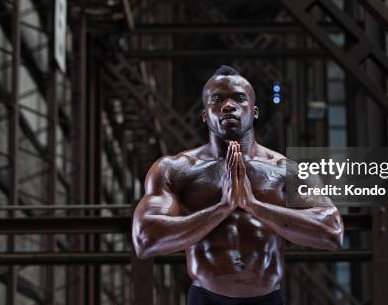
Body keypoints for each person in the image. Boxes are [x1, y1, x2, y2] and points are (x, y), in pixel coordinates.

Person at [132, 65, 343, 305]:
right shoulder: (174, 169)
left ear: (254, 112)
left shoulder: (286, 170)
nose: (228, 105)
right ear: (204, 114)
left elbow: (332, 232)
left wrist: (253, 205)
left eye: (239, 99)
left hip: (266, 299)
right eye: (217, 99)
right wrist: (222, 208)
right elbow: (145, 240)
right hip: (206, 298)